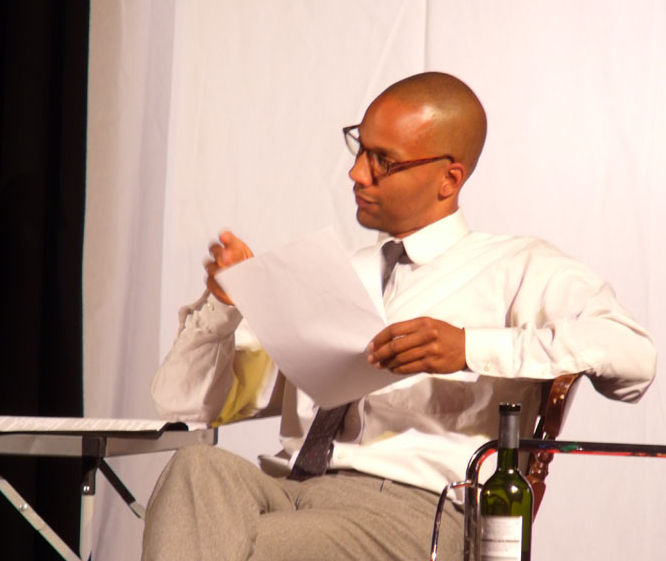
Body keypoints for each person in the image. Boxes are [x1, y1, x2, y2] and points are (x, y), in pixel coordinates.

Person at [142, 72, 656, 560]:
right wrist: (225, 306)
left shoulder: (519, 266)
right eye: (359, 148)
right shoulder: (333, 277)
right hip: (290, 490)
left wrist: (468, 348)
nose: (356, 173)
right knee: (196, 467)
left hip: (414, 511)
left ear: (448, 178)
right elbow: (184, 405)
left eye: (383, 160)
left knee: (228, 546)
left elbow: (634, 357)